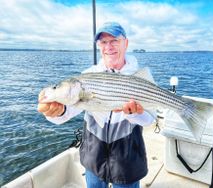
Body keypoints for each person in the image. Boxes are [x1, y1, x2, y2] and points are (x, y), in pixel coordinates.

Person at [37, 22, 155, 188]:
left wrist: (134, 114)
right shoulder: (87, 76)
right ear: (99, 46)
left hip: (127, 161)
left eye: (114, 40)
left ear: (126, 43)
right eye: (103, 42)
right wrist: (56, 111)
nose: (109, 46)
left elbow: (150, 120)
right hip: (94, 158)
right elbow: (68, 111)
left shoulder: (138, 78)